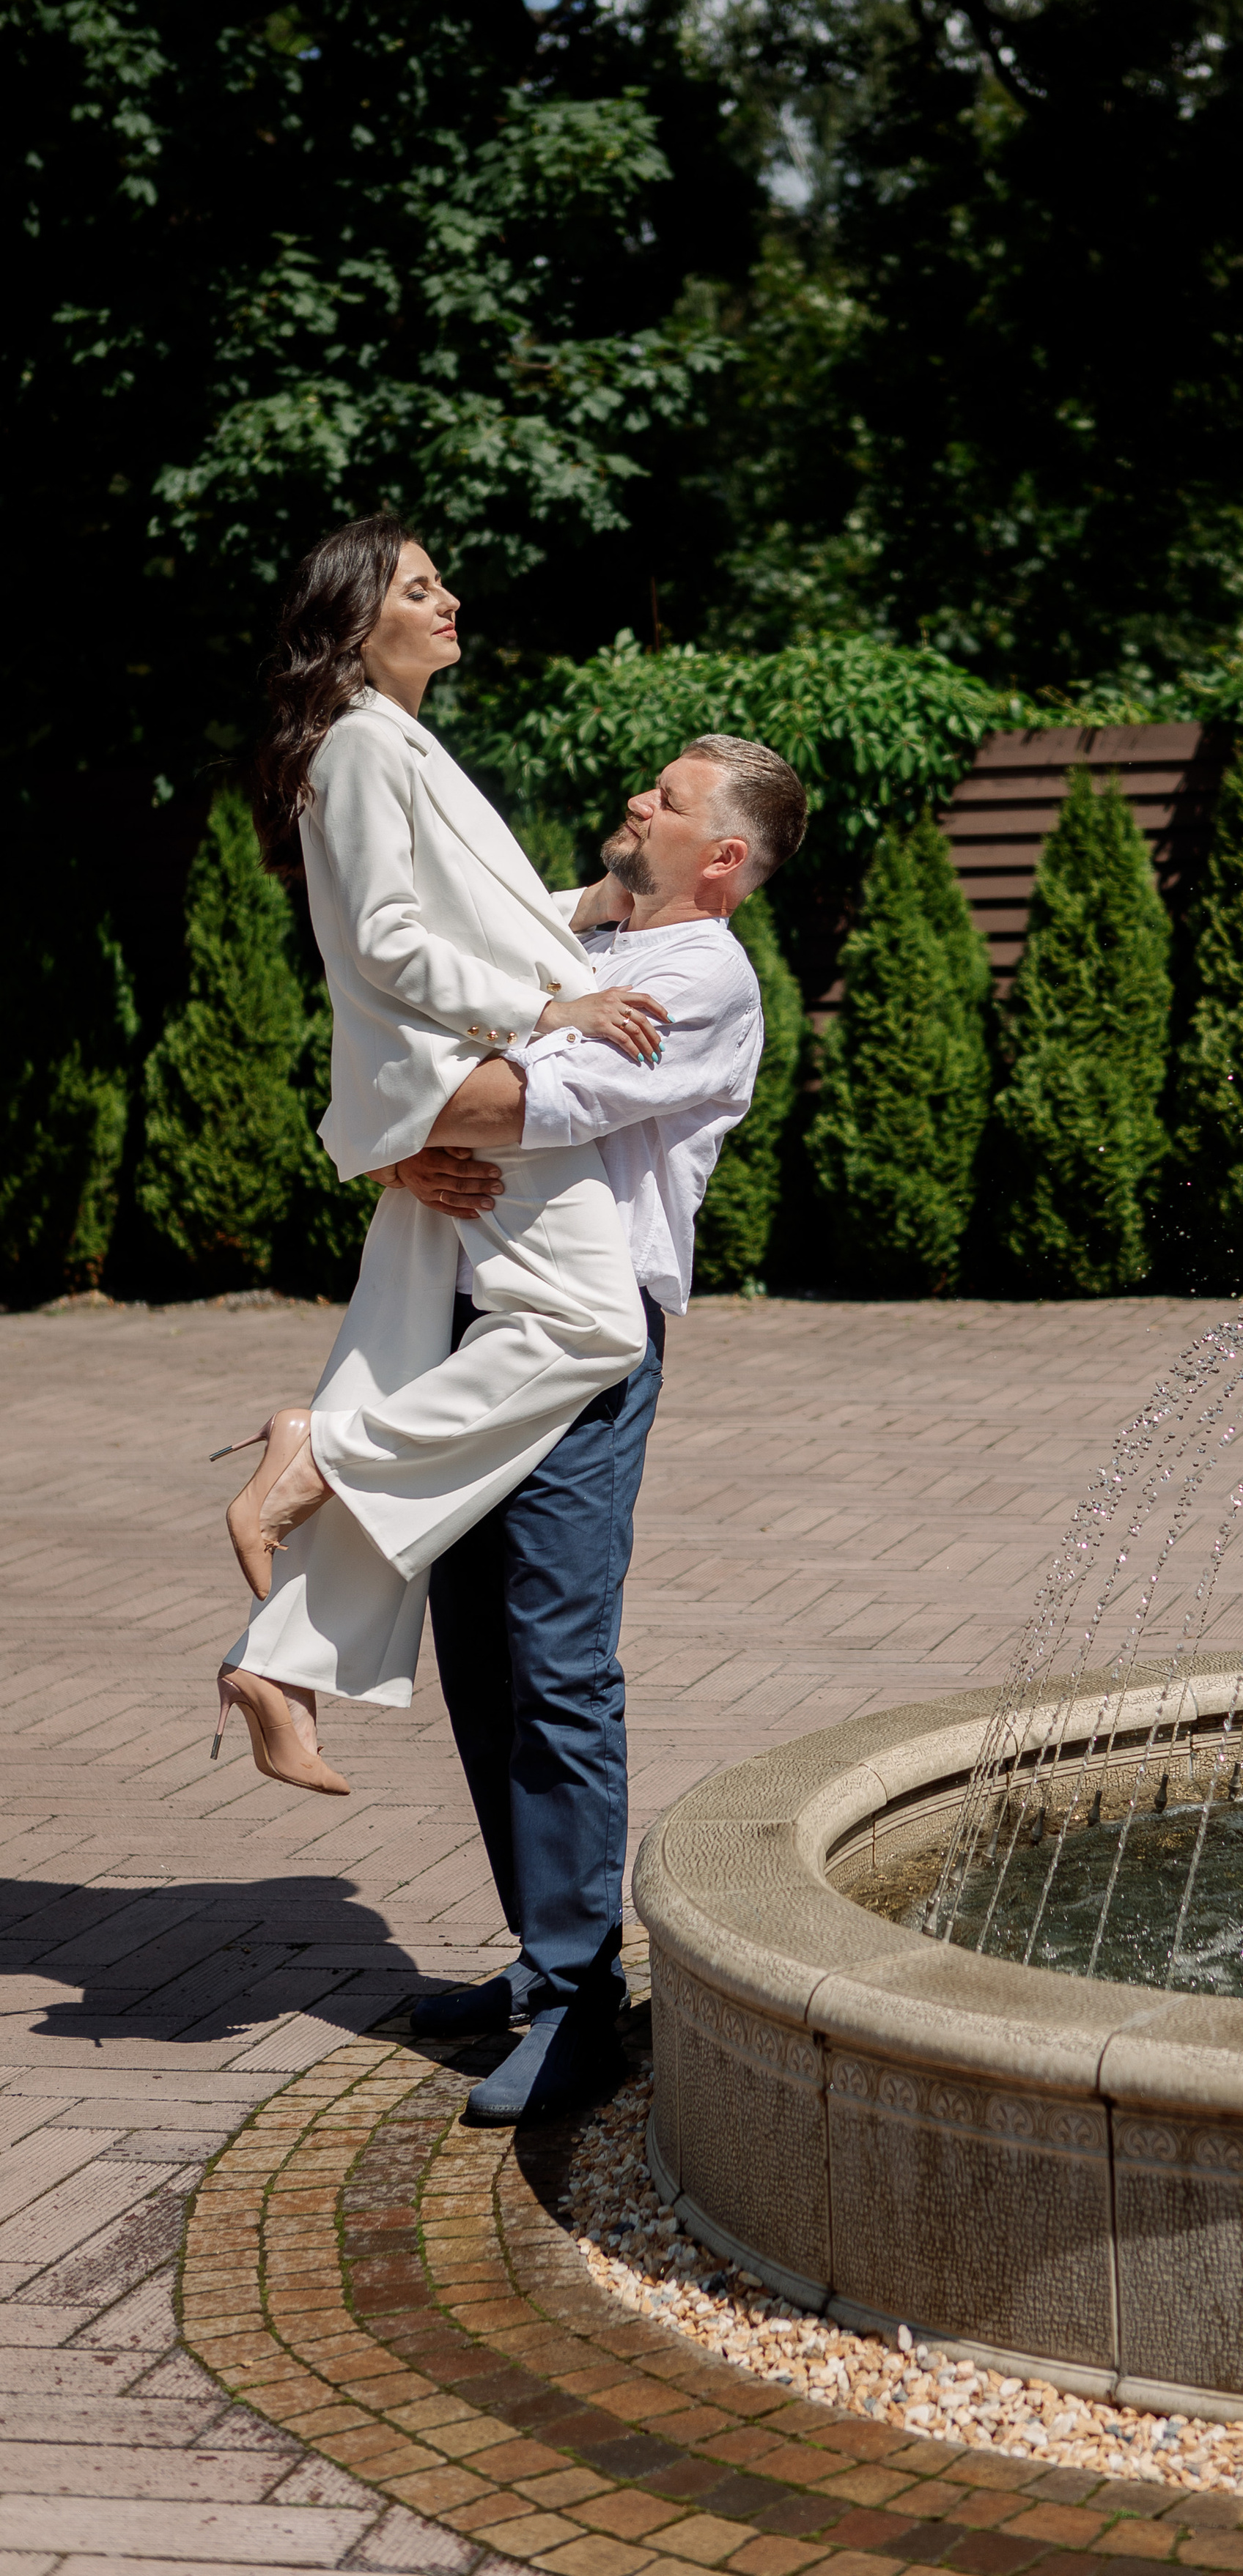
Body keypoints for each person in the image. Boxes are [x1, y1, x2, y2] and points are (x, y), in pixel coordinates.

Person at [386, 730, 808, 2122]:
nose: (638, 800)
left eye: (671, 800)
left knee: (555, 1660)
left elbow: (518, 1108)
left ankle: (580, 2002)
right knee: (479, 1656)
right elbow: (411, 981)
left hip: (582, 1349)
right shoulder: (583, 931)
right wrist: (399, 1117)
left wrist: (385, 1109)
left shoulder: (702, 976)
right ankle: (538, 1959)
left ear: (723, 856)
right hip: (468, 1323)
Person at [213, 514, 666, 1796]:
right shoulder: (357, 747)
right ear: (360, 622)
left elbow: (493, 914)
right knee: (591, 1327)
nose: (449, 598)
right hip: (462, 1084)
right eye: (420, 588)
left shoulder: (399, 741)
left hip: (440, 1096)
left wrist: (605, 903)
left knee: (402, 1368)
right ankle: (315, 1455)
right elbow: (386, 944)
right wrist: (556, 1009)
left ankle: (281, 1665)